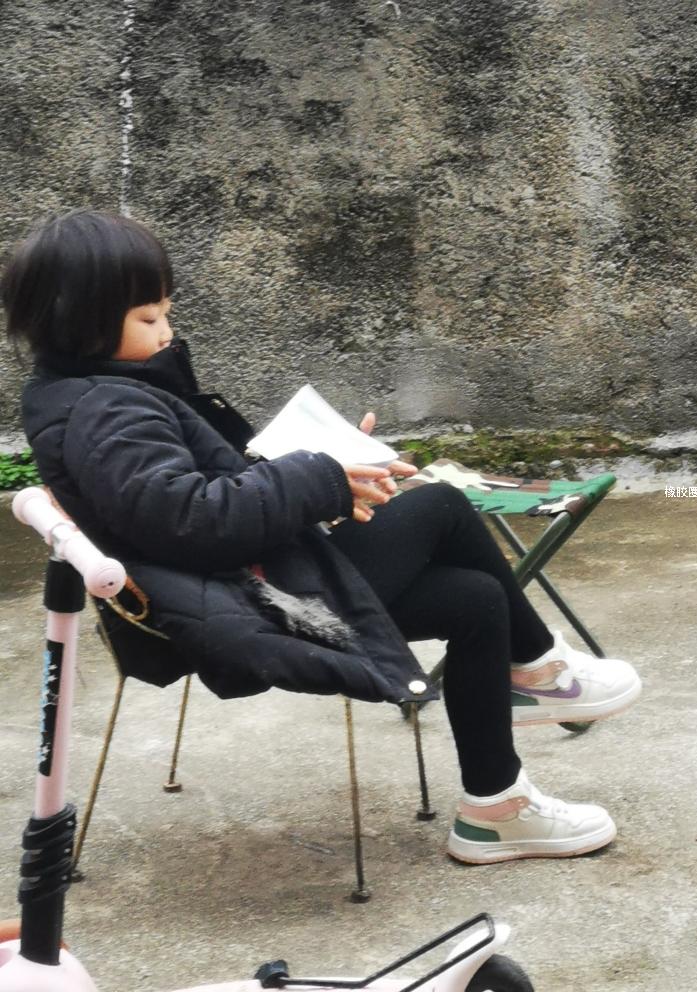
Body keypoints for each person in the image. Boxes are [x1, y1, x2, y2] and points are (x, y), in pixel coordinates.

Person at [2, 209, 641, 865]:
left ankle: (496, 809)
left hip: (245, 585)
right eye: (148, 318)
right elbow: (192, 521)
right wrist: (319, 478)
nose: (167, 332)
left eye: (166, 312)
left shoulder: (99, 393)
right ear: (79, 320)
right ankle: (538, 669)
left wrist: (329, 464)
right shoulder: (107, 410)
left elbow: (196, 491)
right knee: (442, 506)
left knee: (475, 598)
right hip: (250, 603)